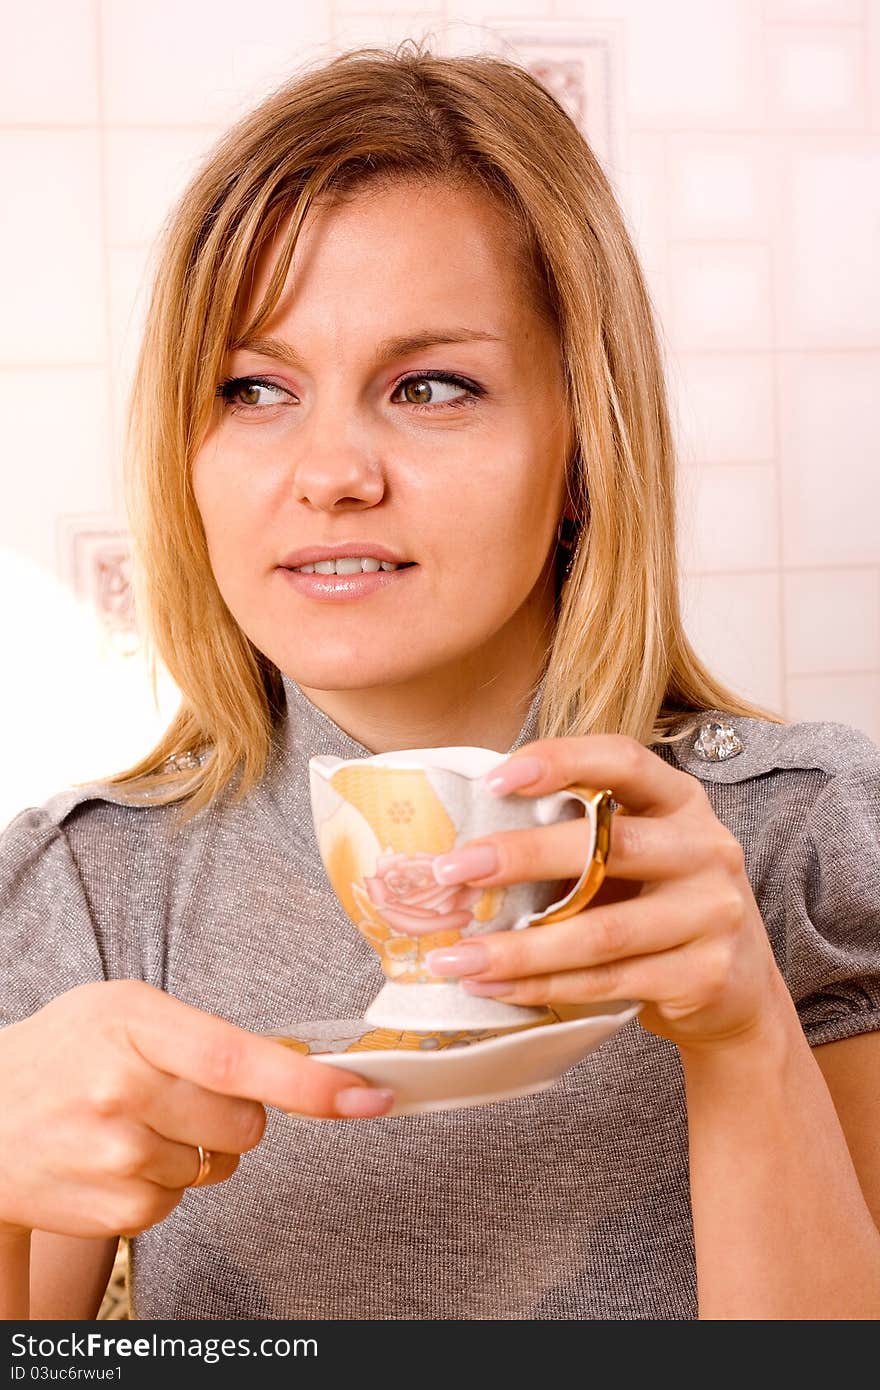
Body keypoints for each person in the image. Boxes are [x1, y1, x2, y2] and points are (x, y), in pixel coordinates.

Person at [1, 39, 878, 1322]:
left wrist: (742, 1028)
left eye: (431, 386)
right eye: (254, 388)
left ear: (582, 449)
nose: (332, 470)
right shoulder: (84, 890)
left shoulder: (803, 835)